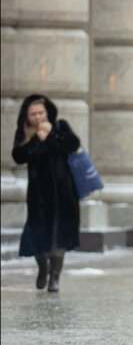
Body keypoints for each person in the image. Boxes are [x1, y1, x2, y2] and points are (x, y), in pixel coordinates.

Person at [12, 94, 81, 293]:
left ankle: (55, 278)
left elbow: (72, 145)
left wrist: (51, 135)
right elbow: (18, 157)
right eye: (33, 114)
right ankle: (42, 267)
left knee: (59, 237)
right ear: (26, 115)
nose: (37, 117)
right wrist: (37, 140)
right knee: (37, 236)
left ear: (47, 111)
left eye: (40, 112)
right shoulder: (24, 132)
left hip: (64, 193)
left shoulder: (60, 126)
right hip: (39, 196)